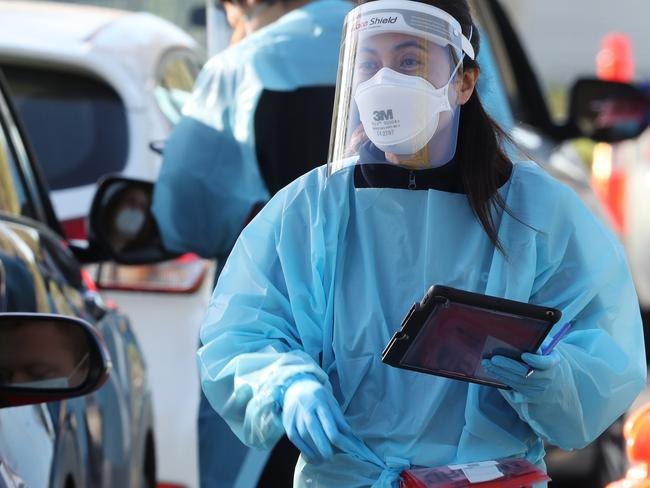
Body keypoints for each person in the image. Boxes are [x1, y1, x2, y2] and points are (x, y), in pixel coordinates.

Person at [197, 0, 647, 486]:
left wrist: (551, 379)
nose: (384, 81)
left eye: (409, 60)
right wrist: (283, 382)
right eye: (368, 63)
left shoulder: (535, 212)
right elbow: (241, 333)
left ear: (464, 80)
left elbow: (605, 353)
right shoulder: (314, 209)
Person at [150, 0, 352, 486]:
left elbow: (184, 217)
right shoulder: (420, 46)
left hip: (275, 367)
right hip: (418, 366)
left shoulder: (244, 66)